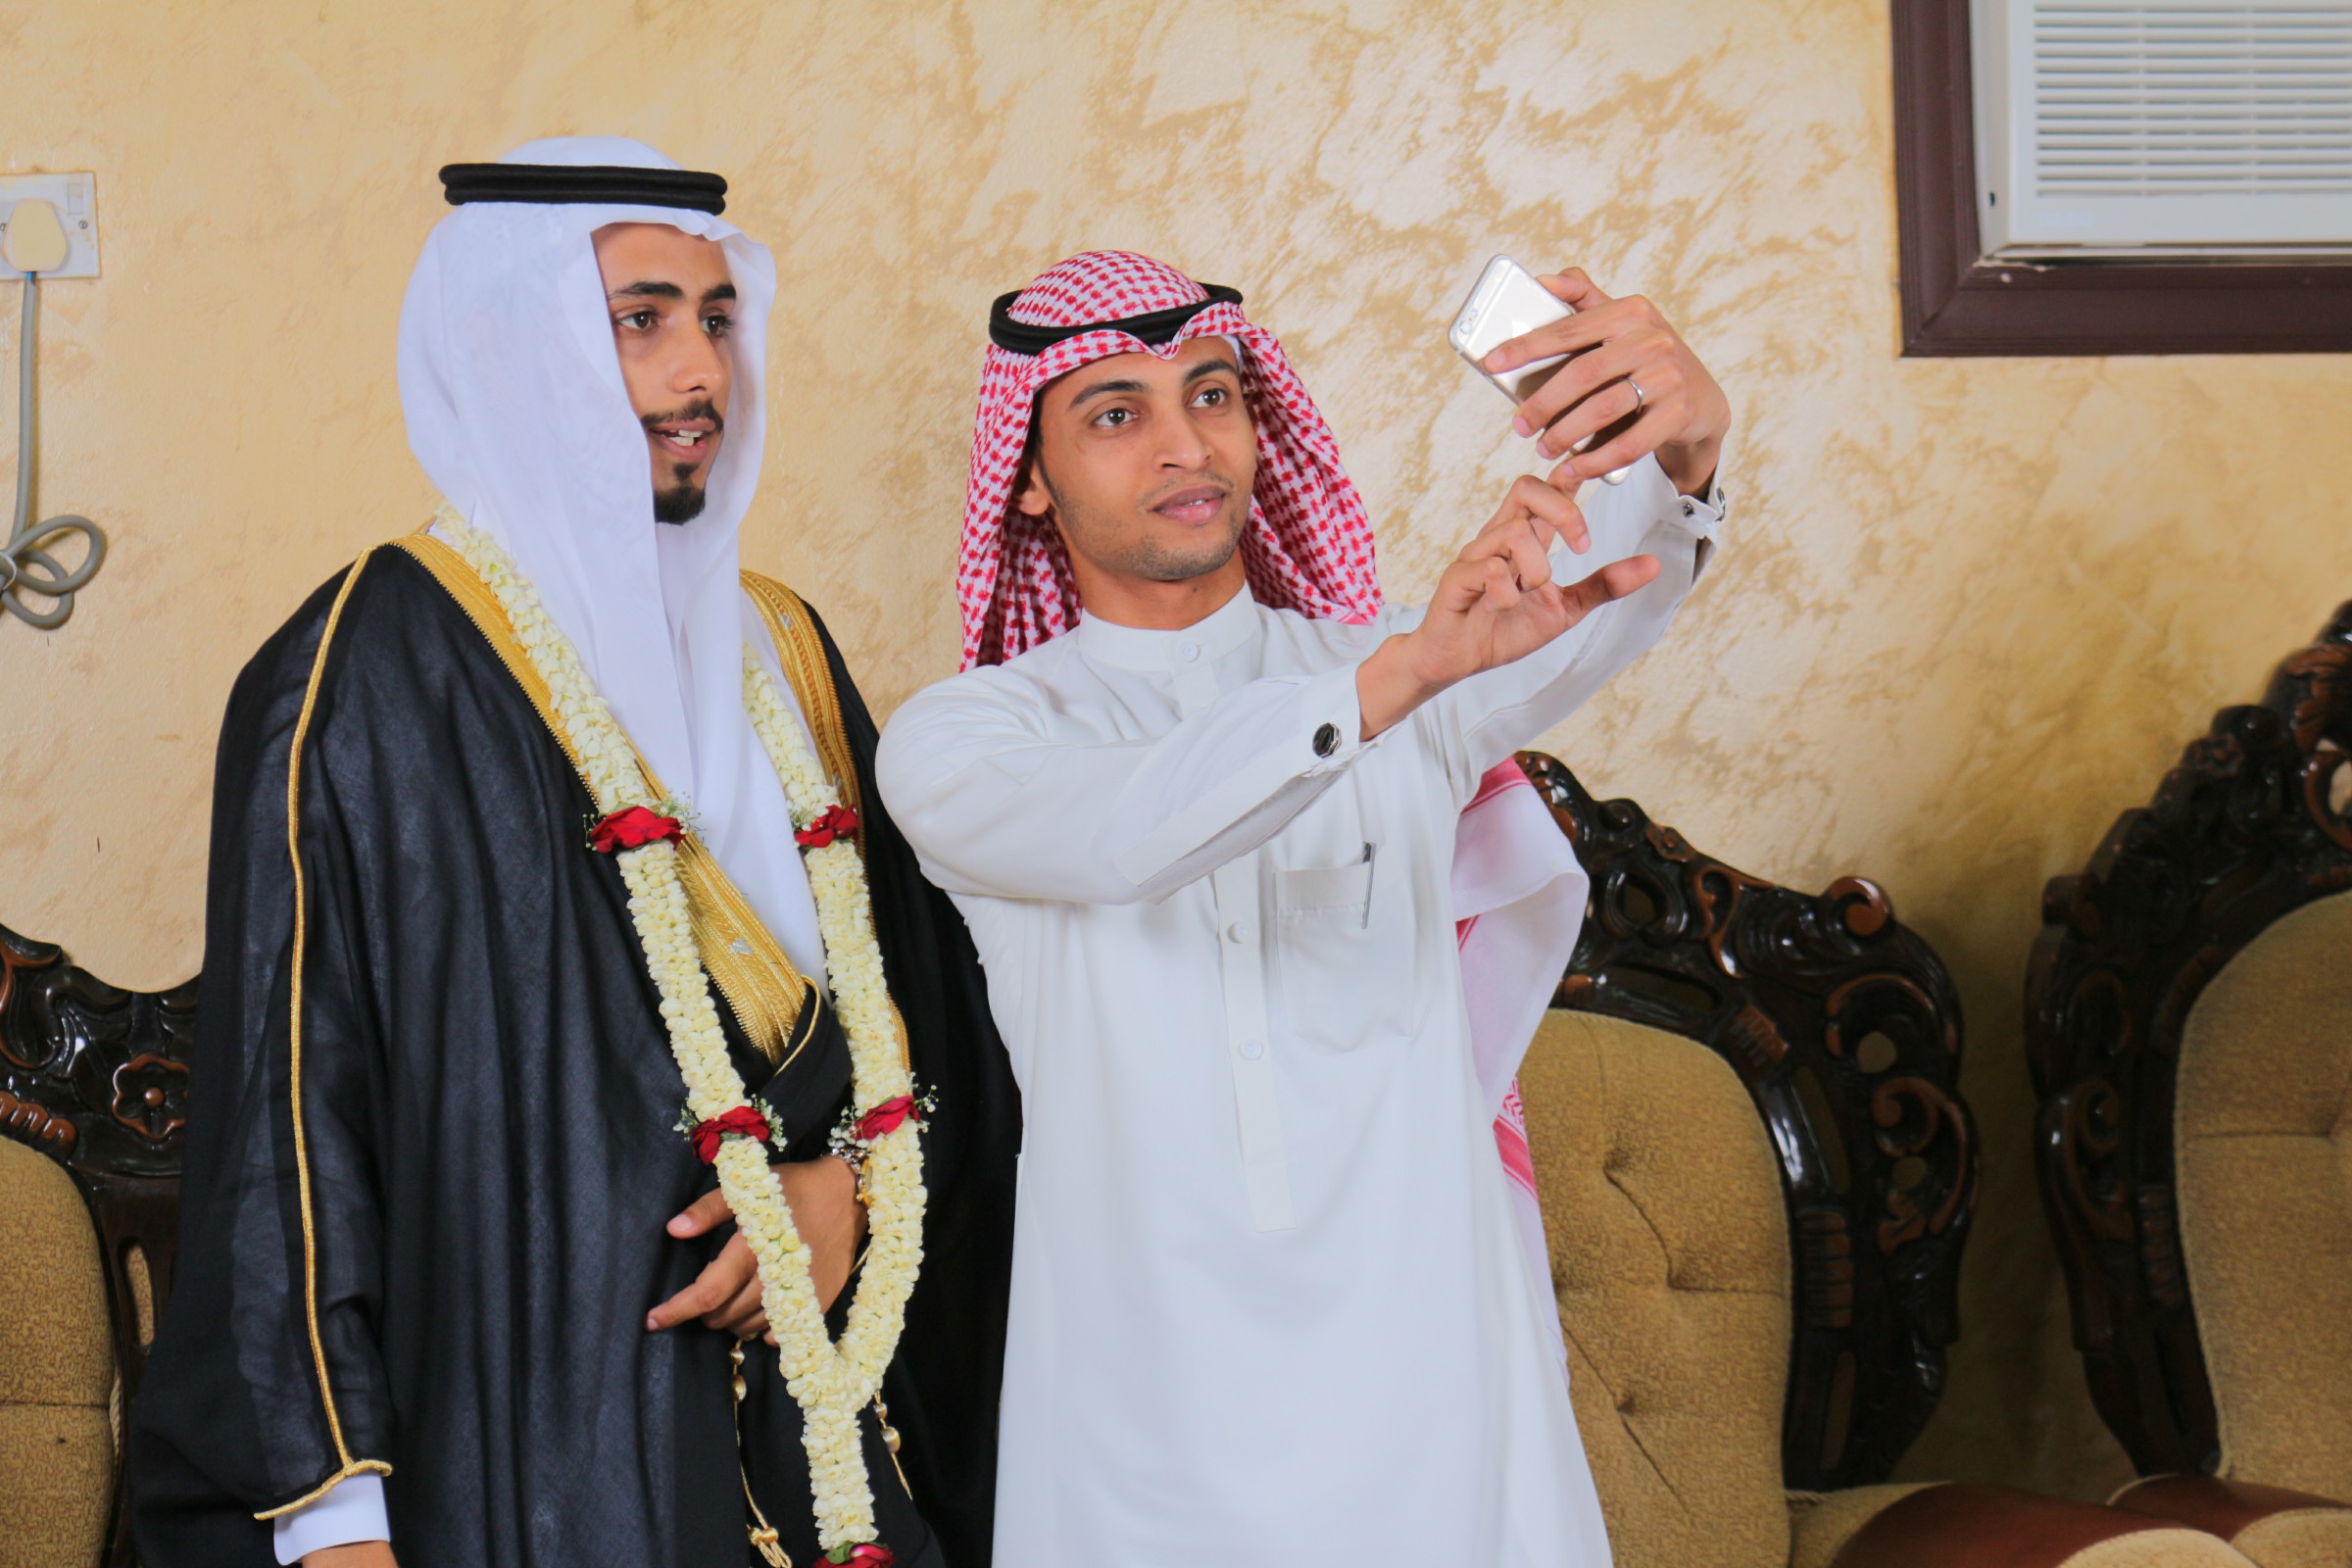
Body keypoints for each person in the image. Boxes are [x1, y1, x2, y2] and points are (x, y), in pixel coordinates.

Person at [129, 138, 1018, 1568]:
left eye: (717, 318)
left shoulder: (781, 652)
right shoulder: (365, 670)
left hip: (818, 1435)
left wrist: (849, 1192)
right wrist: (333, 1517)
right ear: (511, 350)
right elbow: (288, 1128)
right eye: (639, 320)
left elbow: (933, 1021)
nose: (701, 372)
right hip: (519, 1452)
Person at [875, 250, 1731, 1565]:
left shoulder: (1406, 670)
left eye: (1213, 395)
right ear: (1029, 478)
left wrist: (1686, 451)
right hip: (1141, 1417)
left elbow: (1618, 588)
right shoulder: (966, 739)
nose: (1185, 443)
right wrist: (1395, 681)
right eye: (1117, 413)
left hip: (1433, 1394)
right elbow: (1133, 828)